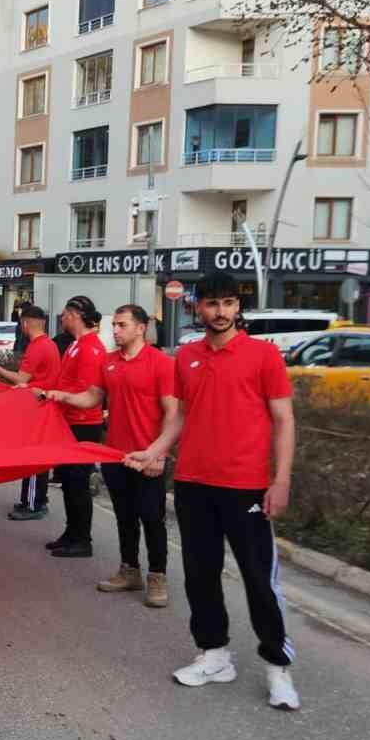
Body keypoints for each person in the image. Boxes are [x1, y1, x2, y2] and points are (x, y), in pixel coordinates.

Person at [125, 271, 299, 711]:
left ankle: (278, 668)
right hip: (193, 484)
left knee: (260, 581)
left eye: (228, 304)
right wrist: (154, 451)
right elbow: (181, 416)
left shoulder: (264, 356)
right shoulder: (187, 357)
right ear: (196, 307)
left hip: (247, 487)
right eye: (211, 304)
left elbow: (283, 421)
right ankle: (215, 655)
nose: (219, 312)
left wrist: (280, 481)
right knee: (201, 577)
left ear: (238, 308)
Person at [43, 305, 176, 606]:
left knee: (152, 519)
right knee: (125, 518)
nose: (115, 331)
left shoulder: (161, 363)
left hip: (148, 455)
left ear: (141, 328)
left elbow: (172, 412)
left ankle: (157, 576)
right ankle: (129, 570)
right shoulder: (109, 362)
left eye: (122, 325)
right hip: (116, 455)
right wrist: (62, 396)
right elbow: (92, 397)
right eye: (114, 325)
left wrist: (159, 453)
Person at [31, 296, 107, 559]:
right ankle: (71, 533)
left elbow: (86, 394)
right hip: (69, 421)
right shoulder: (78, 345)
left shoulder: (90, 349)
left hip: (83, 425)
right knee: (69, 483)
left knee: (78, 484)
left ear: (75, 315)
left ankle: (82, 539)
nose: (61, 319)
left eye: (64, 314)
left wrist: (57, 396)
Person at [0, 305, 59, 522]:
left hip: (37, 407)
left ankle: (34, 503)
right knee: (36, 456)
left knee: (34, 458)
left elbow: (21, 379)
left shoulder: (37, 348)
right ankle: (33, 499)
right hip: (44, 405)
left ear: (25, 324)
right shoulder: (50, 345)